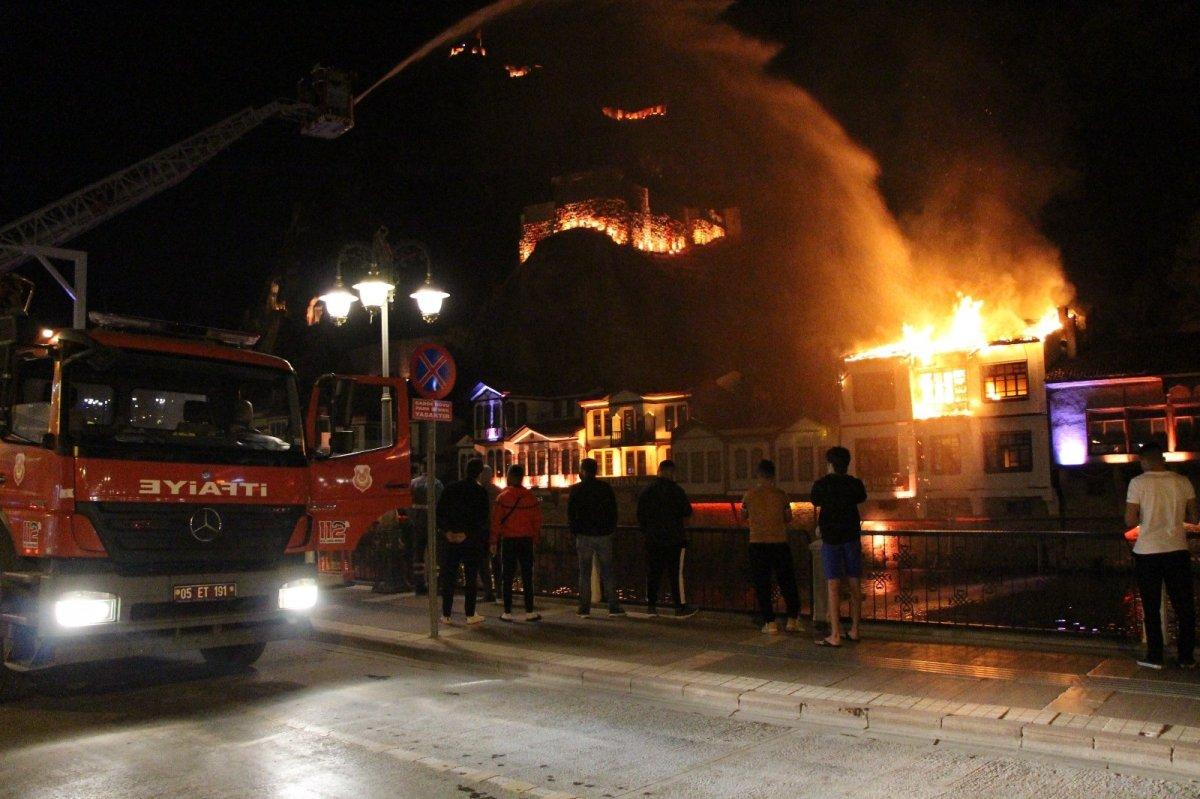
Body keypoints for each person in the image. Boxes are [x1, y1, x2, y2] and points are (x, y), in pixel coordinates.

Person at [1125, 443, 1198, 669]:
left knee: (1151, 605)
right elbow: (1195, 517)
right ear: (1162, 459)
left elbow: (1129, 520)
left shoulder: (1137, 483)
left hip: (1147, 552)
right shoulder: (1182, 481)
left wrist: (1146, 520)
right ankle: (1186, 657)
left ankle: (1155, 656)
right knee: (1184, 606)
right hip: (1177, 549)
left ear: (1145, 460)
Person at [810, 446, 867, 647]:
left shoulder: (822, 485)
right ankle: (855, 630)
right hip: (851, 536)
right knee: (854, 584)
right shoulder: (855, 484)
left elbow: (815, 500)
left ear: (830, 464)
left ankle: (834, 634)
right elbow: (861, 498)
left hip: (832, 539)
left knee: (833, 585)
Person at [741, 459, 801, 634]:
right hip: (779, 542)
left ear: (758, 475)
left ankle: (770, 622)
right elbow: (788, 517)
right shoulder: (781, 495)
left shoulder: (749, 495)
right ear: (773, 475)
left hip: (757, 543)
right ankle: (792, 619)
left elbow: (743, 515)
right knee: (787, 581)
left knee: (762, 583)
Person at [637, 459, 696, 617]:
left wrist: (647, 531)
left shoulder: (647, 490)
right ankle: (679, 606)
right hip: (674, 539)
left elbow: (640, 514)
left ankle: (651, 605)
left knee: (653, 572)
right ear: (671, 472)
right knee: (675, 573)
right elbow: (687, 511)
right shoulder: (676, 490)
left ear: (659, 470)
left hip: (653, 539)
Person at [567, 458, 624, 618]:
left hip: (584, 535)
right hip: (604, 535)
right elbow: (613, 511)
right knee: (607, 571)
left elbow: (571, 513)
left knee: (584, 572)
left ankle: (584, 607)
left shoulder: (576, 489)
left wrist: (575, 531)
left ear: (583, 471)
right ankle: (613, 606)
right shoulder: (605, 488)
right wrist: (611, 529)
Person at [436, 459, 490, 625]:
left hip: (451, 539)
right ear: (480, 473)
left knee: (449, 577)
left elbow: (439, 513)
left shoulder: (450, 489)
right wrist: (466, 534)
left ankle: (446, 614)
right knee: (471, 577)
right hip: (471, 541)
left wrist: (447, 532)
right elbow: (482, 519)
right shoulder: (480, 492)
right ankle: (470, 613)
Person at [491, 464, 542, 622]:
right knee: (527, 575)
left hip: (509, 541)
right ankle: (529, 611)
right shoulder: (530, 498)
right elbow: (537, 522)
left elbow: (496, 522)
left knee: (507, 576)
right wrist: (535, 539)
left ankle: (507, 611)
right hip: (526, 540)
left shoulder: (503, 498)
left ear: (511, 477)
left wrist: (493, 541)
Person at [409, 464, 443, 596]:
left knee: (418, 555)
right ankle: (436, 585)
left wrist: (413, 518)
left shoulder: (413, 483)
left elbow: (407, 504)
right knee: (435, 555)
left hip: (417, 523)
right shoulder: (437, 484)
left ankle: (419, 584)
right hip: (432, 523)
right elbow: (441, 504)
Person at [477, 464, 502, 603]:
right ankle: (499, 591)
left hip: (482, 531)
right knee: (497, 561)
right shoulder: (499, 492)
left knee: (483, 562)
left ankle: (488, 591)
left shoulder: (478, 492)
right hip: (497, 531)